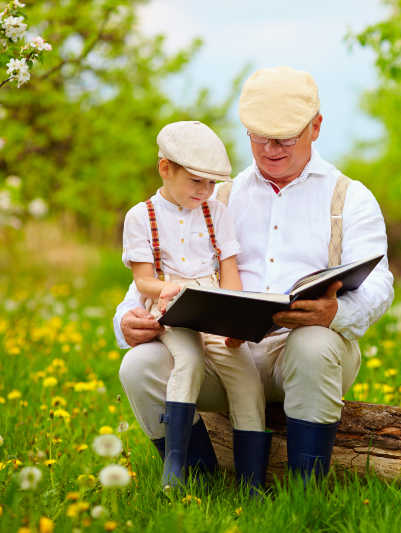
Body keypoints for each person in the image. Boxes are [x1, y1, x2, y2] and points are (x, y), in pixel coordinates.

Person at [113, 66, 394, 484]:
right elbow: (159, 270)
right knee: (138, 367)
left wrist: (330, 314)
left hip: (301, 357)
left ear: (315, 127)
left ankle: (304, 490)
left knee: (314, 344)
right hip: (221, 353)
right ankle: (200, 488)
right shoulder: (215, 195)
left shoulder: (349, 197)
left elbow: (378, 285)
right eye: (259, 137)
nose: (271, 149)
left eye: (284, 138)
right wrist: (127, 321)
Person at [121, 121, 267, 489]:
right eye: (195, 182)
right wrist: (167, 289)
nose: (204, 192)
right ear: (165, 169)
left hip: (214, 302)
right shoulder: (142, 217)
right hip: (175, 307)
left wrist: (235, 317)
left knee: (245, 376)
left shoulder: (216, 212)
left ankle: (253, 481)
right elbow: (143, 280)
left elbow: (229, 270)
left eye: (211, 184)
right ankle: (177, 468)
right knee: (187, 363)